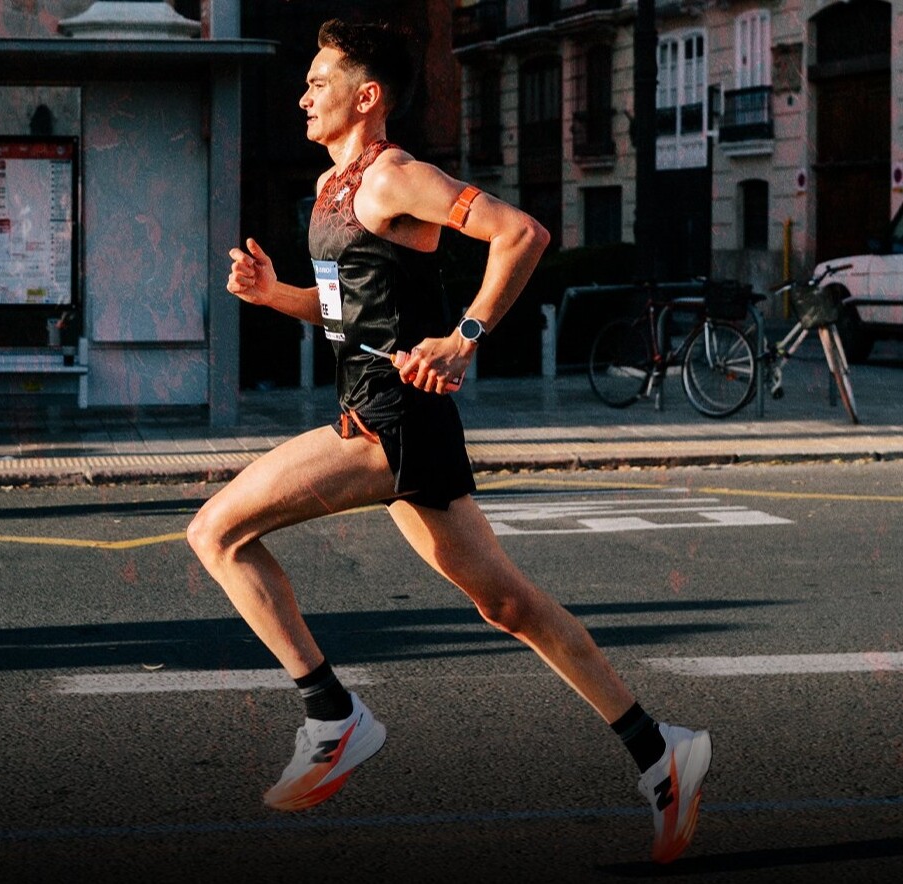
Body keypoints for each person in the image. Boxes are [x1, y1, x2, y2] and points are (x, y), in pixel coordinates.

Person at [187, 18, 711, 863]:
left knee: (215, 532)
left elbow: (522, 233)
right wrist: (275, 294)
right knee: (507, 606)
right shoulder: (331, 187)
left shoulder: (396, 176)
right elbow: (349, 311)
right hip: (398, 418)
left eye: (317, 83)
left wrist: (464, 336)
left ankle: (332, 716)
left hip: (387, 420)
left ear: (366, 96)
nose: (302, 96)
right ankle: (661, 753)